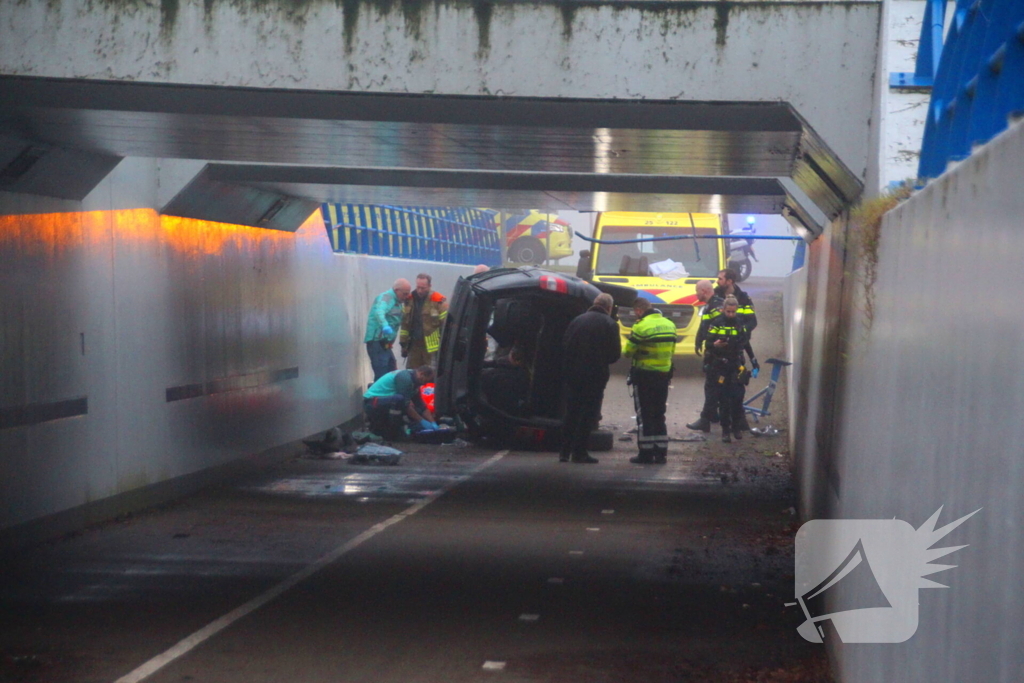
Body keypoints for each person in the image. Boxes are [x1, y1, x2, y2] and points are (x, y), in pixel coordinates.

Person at [559, 293, 621, 464]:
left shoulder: (577, 320)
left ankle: (564, 452)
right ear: (609, 308)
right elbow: (614, 355)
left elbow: (565, 345)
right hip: (595, 376)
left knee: (571, 412)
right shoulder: (610, 324)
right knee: (588, 415)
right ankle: (580, 453)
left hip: (573, 375)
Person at [623, 298, 678, 464]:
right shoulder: (670, 324)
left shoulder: (641, 326)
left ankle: (646, 454)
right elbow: (672, 351)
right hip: (663, 375)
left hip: (645, 376)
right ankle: (661, 453)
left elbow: (627, 351)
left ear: (639, 310)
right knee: (659, 414)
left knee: (645, 415)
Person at [701, 297, 751, 443]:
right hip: (720, 366)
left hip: (736, 365)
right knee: (723, 400)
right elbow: (708, 344)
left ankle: (736, 428)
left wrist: (753, 360)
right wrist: (715, 345)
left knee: (737, 398)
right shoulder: (717, 323)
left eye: (733, 312)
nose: (730, 314)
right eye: (728, 311)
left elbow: (745, 342)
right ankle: (725, 431)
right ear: (723, 310)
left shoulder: (740, 323)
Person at [363, 365, 437, 439]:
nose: (425, 384)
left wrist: (433, 422)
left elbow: (421, 404)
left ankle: (397, 428)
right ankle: (393, 431)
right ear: (421, 374)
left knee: (414, 409)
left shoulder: (415, 382)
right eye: (426, 381)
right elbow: (406, 404)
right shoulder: (405, 378)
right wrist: (422, 421)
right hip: (372, 402)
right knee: (399, 400)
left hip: (384, 401)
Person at [364, 279, 412, 381]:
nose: (406, 296)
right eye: (404, 294)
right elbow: (379, 312)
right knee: (382, 373)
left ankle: (385, 395)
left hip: (385, 344)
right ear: (396, 290)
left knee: (391, 370)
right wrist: (385, 326)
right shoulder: (386, 298)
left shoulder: (398, 302)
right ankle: (377, 396)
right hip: (377, 341)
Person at [399, 273, 448, 369]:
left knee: (430, 374)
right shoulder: (409, 299)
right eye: (418, 287)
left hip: (432, 347)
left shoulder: (438, 300)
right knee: (412, 373)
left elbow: (446, 325)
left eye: (423, 288)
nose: (420, 291)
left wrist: (445, 347)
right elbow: (405, 324)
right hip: (413, 345)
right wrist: (403, 344)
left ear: (430, 286)